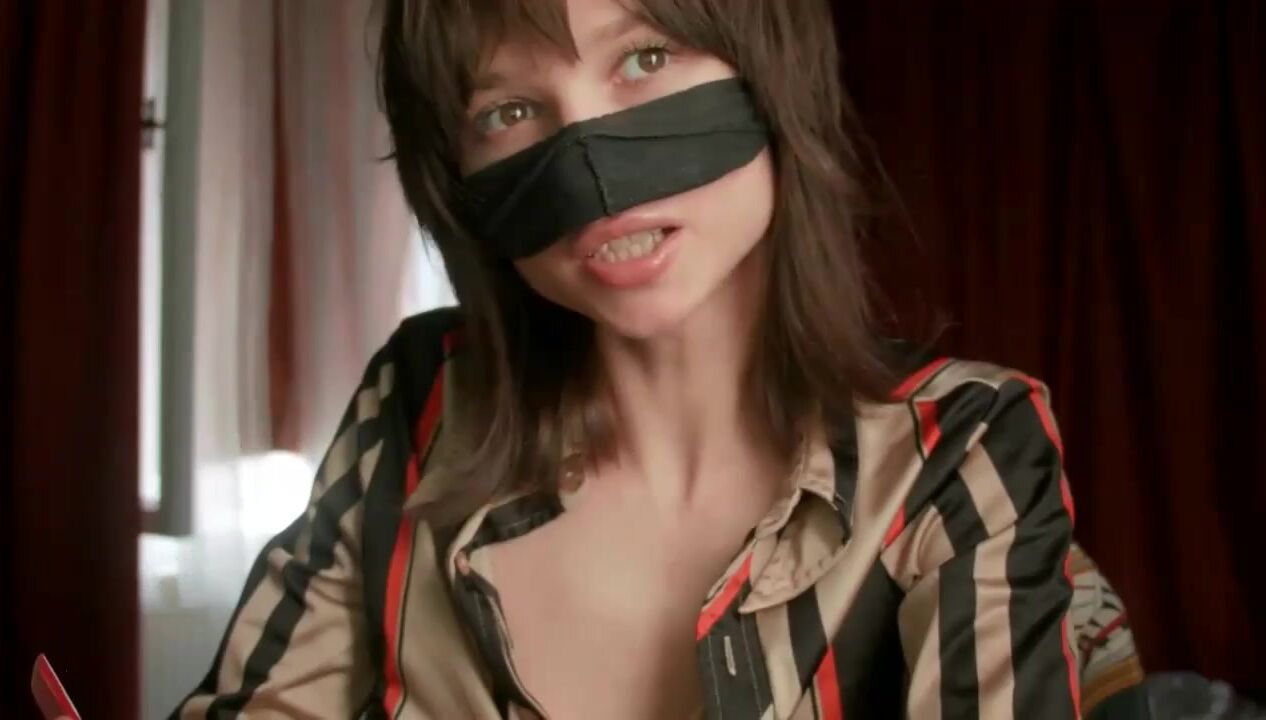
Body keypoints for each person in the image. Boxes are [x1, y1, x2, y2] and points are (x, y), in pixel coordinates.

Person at [175, 0, 1084, 717]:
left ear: (772, 77)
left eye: (645, 60)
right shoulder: (418, 401)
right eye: (509, 111)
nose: (591, 170)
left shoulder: (960, 450)